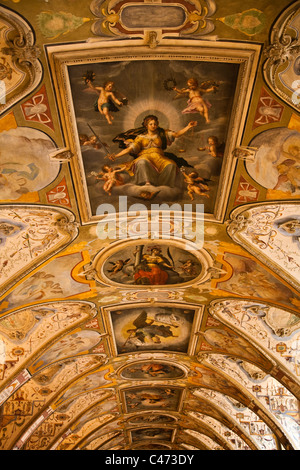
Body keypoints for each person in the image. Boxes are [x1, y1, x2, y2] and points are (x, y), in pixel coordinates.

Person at [108, 115, 197, 187]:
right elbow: (129, 149)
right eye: (151, 124)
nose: (153, 126)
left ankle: (164, 186)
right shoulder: (140, 137)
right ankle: (146, 184)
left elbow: (177, 134)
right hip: (145, 157)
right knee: (142, 162)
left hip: (159, 158)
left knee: (171, 165)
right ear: (146, 125)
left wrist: (188, 126)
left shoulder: (162, 134)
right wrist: (116, 156)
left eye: (155, 124)